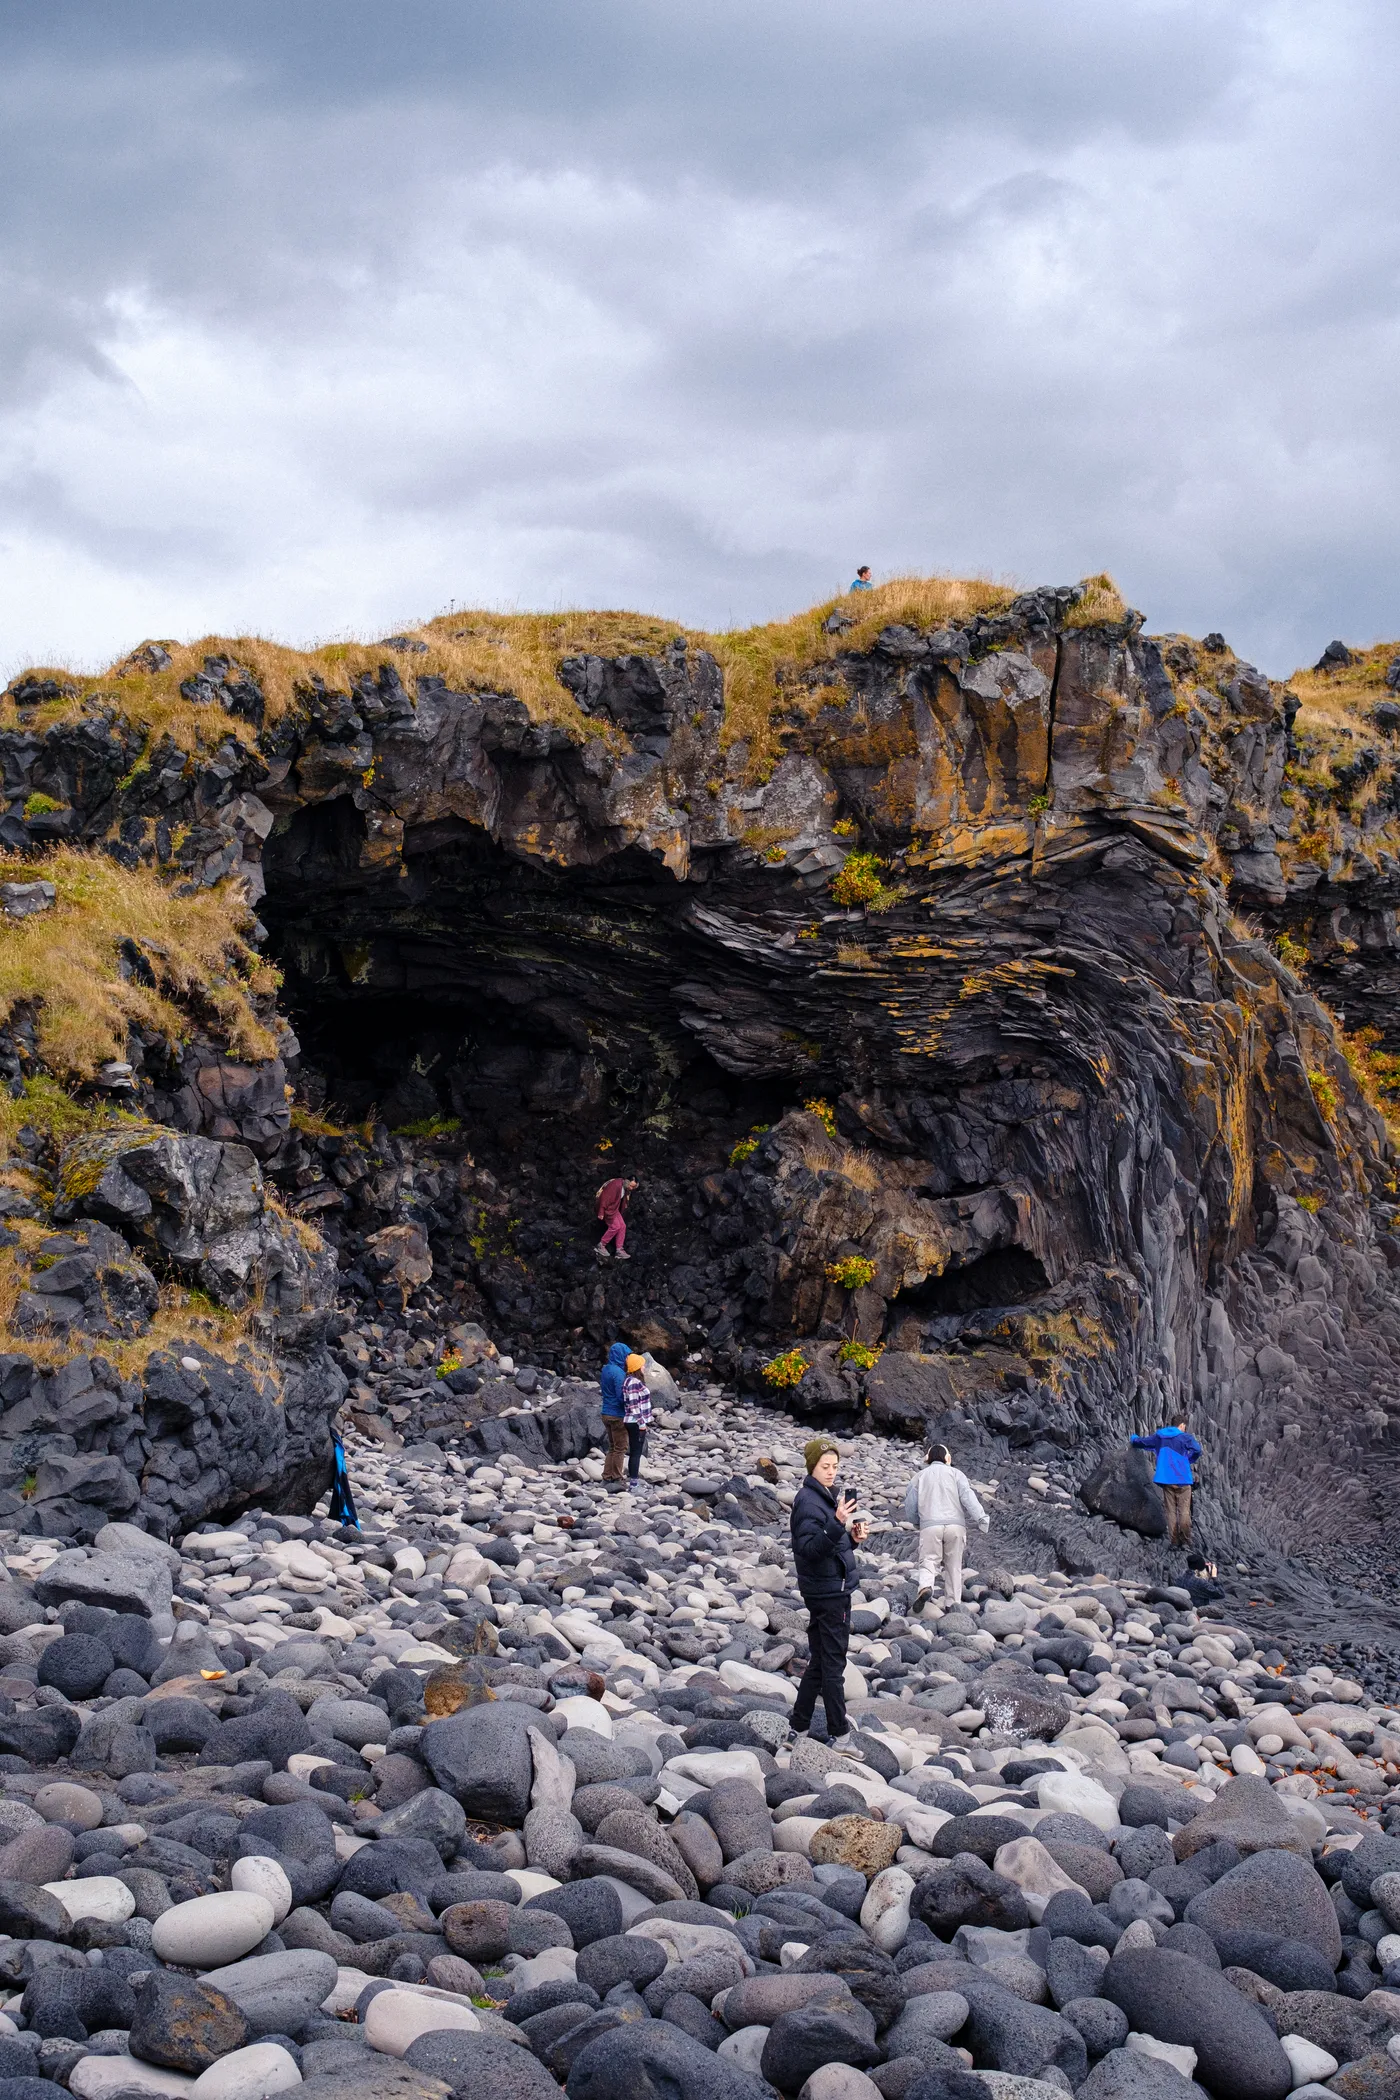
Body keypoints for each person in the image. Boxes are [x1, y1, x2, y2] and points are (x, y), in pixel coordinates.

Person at [789, 1437, 866, 1751]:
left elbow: (830, 1544)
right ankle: (840, 1735)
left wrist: (853, 1537)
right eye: (825, 1466)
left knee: (820, 1663)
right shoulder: (808, 1501)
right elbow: (808, 1549)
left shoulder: (823, 1497)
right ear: (812, 1467)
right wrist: (837, 1523)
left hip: (828, 1589)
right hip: (829, 1594)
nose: (832, 1472)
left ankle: (797, 1728)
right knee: (833, 1665)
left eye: (835, 1466)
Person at [903, 1443, 988, 1611]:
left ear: (928, 1459)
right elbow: (968, 1497)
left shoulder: (919, 1476)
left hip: (930, 1525)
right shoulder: (957, 1474)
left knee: (928, 1560)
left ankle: (926, 1586)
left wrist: (916, 1522)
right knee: (953, 1566)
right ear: (947, 1458)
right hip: (955, 1526)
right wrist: (981, 1518)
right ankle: (953, 1604)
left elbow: (910, 1504)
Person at [1131, 1415, 1201, 1546]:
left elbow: (1143, 1442)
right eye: (1184, 1427)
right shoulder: (1185, 1437)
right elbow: (1197, 1450)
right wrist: (1189, 1459)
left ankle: (1174, 1541)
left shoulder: (1160, 1436)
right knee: (1184, 1511)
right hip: (1183, 1480)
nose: (1184, 1429)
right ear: (1181, 1425)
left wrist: (1133, 1438)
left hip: (1167, 1481)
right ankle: (1185, 1540)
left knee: (1171, 1512)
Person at [599, 1341, 632, 1488]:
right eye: (626, 1355)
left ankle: (606, 1477)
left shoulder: (606, 1369)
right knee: (620, 1448)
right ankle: (618, 1478)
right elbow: (621, 1396)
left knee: (612, 1447)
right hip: (617, 1414)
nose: (628, 1359)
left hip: (605, 1412)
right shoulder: (619, 1373)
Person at [621, 1352, 653, 1490]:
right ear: (637, 1368)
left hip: (631, 1420)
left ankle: (634, 1482)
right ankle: (634, 1485)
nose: (644, 1368)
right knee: (636, 1453)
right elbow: (634, 1405)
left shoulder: (628, 1380)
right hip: (634, 1421)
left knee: (635, 1451)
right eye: (642, 1365)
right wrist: (641, 1423)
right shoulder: (634, 1382)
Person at [596, 1175, 638, 1260]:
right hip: (608, 1209)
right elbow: (604, 1197)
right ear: (627, 1182)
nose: (631, 1188)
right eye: (631, 1186)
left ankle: (619, 1250)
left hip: (614, 1208)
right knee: (615, 1226)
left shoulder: (624, 1187)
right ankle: (601, 1245)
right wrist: (601, 1212)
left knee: (622, 1226)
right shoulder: (616, 1185)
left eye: (633, 1187)